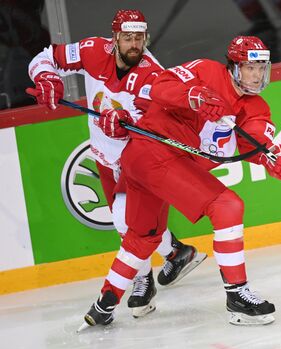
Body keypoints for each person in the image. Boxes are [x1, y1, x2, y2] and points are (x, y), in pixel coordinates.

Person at [82, 35, 281, 328]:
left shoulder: (255, 106)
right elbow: (161, 86)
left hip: (153, 163)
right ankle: (237, 298)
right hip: (155, 151)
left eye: (262, 68)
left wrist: (278, 160)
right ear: (234, 66)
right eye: (250, 67)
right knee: (227, 206)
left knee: (143, 237)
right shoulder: (207, 71)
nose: (257, 75)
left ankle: (104, 304)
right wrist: (192, 96)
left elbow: (258, 142)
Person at [25, 9, 206, 319]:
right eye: (127, 37)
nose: (134, 44)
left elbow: (160, 121)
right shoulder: (93, 51)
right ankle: (176, 253)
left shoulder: (153, 74)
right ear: (115, 38)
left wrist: (128, 122)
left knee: (126, 222)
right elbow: (45, 57)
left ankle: (142, 281)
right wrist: (46, 76)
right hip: (105, 157)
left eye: (139, 38)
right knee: (132, 223)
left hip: (141, 159)